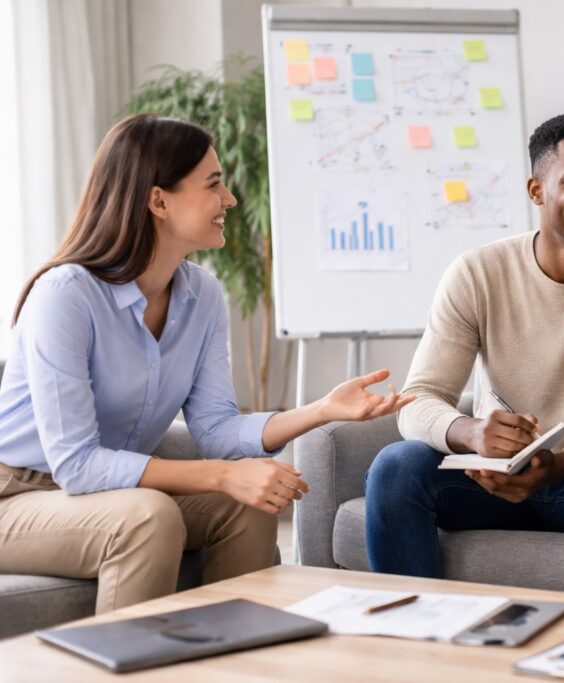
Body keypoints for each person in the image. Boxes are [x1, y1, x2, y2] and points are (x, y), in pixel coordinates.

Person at [0, 114, 412, 613]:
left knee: (251, 503)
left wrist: (322, 409)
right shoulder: (66, 296)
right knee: (148, 516)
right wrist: (220, 475)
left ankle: (232, 660)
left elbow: (216, 427)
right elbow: (77, 465)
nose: (231, 200)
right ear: (158, 201)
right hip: (17, 495)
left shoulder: (202, 295)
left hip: (105, 491)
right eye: (214, 184)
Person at [364, 112, 564, 599]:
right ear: (537, 191)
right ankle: (415, 646)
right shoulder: (477, 273)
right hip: (490, 481)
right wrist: (470, 432)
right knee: (396, 466)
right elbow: (420, 398)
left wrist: (559, 464)